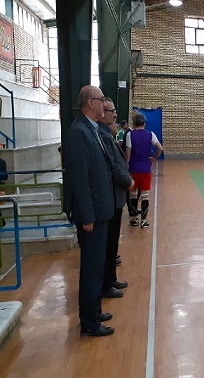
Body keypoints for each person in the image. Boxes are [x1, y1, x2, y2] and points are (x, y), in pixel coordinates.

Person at [63, 85, 115, 337]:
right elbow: (80, 179)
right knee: (91, 270)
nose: (104, 104)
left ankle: (95, 311)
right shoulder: (78, 132)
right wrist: (86, 216)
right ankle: (89, 322)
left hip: (100, 210)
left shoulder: (91, 129)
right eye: (100, 99)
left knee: (97, 267)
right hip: (91, 214)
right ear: (90, 103)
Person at [97, 98, 135, 299]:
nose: (115, 115)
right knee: (109, 243)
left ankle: (111, 278)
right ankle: (106, 283)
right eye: (112, 111)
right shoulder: (103, 136)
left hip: (115, 197)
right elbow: (112, 166)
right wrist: (128, 180)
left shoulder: (108, 135)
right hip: (111, 196)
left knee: (113, 243)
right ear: (103, 112)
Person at [125, 113, 163, 228]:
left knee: (133, 195)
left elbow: (128, 153)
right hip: (146, 169)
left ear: (134, 123)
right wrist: (154, 158)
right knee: (145, 196)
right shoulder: (150, 134)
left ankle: (134, 218)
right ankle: (144, 220)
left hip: (133, 168)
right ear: (144, 123)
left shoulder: (130, 135)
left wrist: (125, 167)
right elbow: (160, 148)